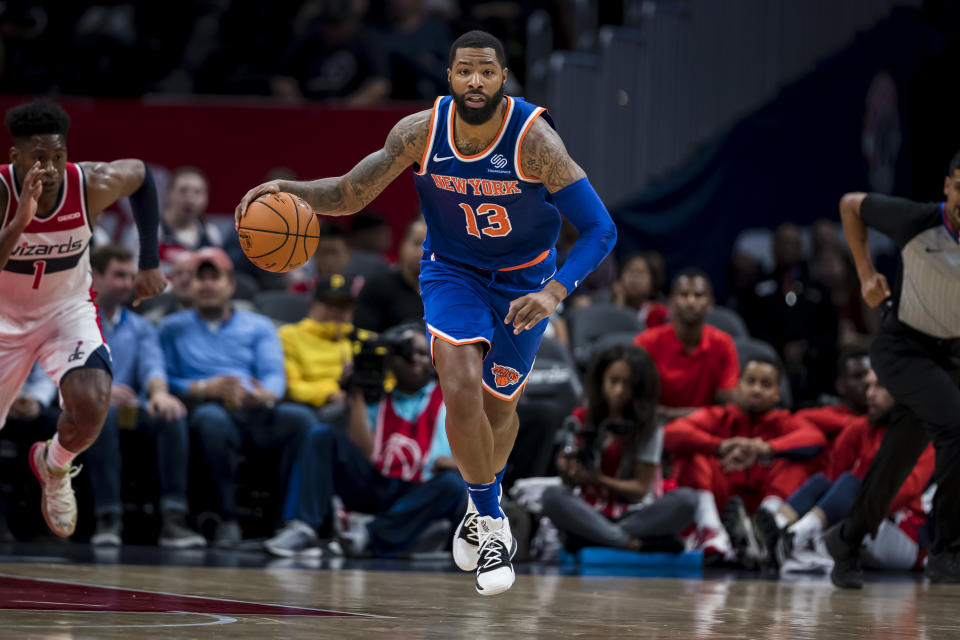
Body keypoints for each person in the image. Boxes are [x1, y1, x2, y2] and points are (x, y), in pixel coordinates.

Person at [236, 30, 616, 595]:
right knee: (458, 380)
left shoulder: (534, 143)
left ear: (503, 78)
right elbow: (348, 193)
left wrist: (556, 291)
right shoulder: (419, 132)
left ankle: (475, 500)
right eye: (465, 71)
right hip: (452, 273)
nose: (476, 82)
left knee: (498, 404)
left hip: (526, 283)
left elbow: (600, 229)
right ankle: (492, 520)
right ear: (450, 77)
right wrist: (283, 188)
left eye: (487, 72)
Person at [0, 99, 166, 538]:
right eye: (39, 157)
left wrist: (149, 261)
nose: (50, 167)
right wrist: (20, 221)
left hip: (64, 314)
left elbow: (143, 176)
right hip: (2, 320)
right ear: (15, 157)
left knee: (93, 408)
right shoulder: (0, 193)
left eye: (58, 155)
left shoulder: (90, 183)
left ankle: (53, 466)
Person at [828, 152, 960, 587]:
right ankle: (947, 551)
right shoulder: (916, 220)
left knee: (899, 455)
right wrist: (866, 274)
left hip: (950, 355)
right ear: (946, 187)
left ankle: (848, 539)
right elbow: (850, 204)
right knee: (955, 427)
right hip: (902, 347)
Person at [157, 247, 316, 547]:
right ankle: (227, 520)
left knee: (302, 420)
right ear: (189, 286)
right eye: (199, 279)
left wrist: (264, 395)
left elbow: (273, 375)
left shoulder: (258, 325)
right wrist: (204, 389)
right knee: (211, 419)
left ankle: (288, 520)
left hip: (253, 408)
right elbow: (161, 379)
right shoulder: (170, 328)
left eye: (214, 278)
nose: (206, 285)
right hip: (203, 410)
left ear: (230, 284)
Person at [266, 324, 465, 557]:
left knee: (453, 485)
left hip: (419, 490)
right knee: (321, 435)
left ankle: (369, 536)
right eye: (408, 354)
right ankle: (303, 527)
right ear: (391, 360)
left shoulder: (449, 398)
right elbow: (366, 452)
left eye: (423, 353)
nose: (416, 360)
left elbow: (484, 449)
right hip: (376, 483)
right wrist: (356, 395)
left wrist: (458, 463)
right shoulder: (377, 398)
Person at [83, 245, 204, 548]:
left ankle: (174, 517)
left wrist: (160, 393)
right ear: (94, 276)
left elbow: (153, 364)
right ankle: (108, 516)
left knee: (171, 415)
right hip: (80, 405)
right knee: (104, 413)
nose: (127, 283)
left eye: (131, 276)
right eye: (119, 276)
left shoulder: (139, 326)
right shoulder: (75, 320)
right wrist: (100, 392)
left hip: (128, 406)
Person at [763, 369, 934, 573]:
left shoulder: (923, 435)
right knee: (822, 482)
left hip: (903, 534)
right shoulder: (859, 428)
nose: (869, 394)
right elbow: (833, 485)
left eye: (879, 386)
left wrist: (848, 505)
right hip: (854, 525)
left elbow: (903, 491)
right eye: (868, 386)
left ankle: (794, 538)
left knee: (853, 483)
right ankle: (771, 532)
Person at [664, 357, 826, 566]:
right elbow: (671, 433)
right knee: (692, 454)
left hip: (766, 500)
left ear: (778, 393)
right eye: (750, 382)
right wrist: (720, 446)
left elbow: (815, 438)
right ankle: (712, 531)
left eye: (766, 384)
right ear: (738, 386)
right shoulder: (720, 415)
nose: (756, 390)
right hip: (722, 500)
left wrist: (766, 449)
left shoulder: (784, 420)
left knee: (797, 460)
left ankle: (766, 530)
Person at [541, 345, 697, 552]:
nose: (619, 391)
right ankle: (630, 543)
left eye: (628, 385)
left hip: (635, 513)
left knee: (687, 500)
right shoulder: (582, 418)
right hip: (590, 510)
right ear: (601, 381)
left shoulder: (648, 427)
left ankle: (596, 538)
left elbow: (639, 491)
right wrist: (567, 468)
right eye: (614, 381)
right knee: (552, 495)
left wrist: (600, 480)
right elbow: (571, 480)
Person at [634, 268, 739, 421]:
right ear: (671, 303)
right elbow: (638, 401)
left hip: (704, 425)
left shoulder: (723, 343)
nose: (691, 301)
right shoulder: (646, 342)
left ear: (710, 304)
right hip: (656, 425)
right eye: (684, 295)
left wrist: (671, 414)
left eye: (698, 295)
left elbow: (730, 404)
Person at [280, 274, 360, 409]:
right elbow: (291, 386)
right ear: (312, 306)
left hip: (357, 403)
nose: (335, 311)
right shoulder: (289, 335)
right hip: (313, 407)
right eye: (329, 304)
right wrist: (330, 393)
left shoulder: (363, 339)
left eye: (342, 306)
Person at [125, 166, 222, 271]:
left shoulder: (211, 234)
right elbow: (136, 273)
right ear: (169, 193)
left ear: (206, 198)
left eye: (197, 192)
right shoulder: (147, 230)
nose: (190, 199)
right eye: (183, 191)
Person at [354, 217, 426, 333]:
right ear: (403, 245)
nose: (422, 252)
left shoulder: (447, 292)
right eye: (417, 243)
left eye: (429, 246)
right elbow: (363, 336)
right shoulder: (378, 287)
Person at [609, 253, 668, 329]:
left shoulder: (658, 312)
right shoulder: (608, 301)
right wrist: (619, 301)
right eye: (630, 270)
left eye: (641, 272)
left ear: (654, 280)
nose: (634, 276)